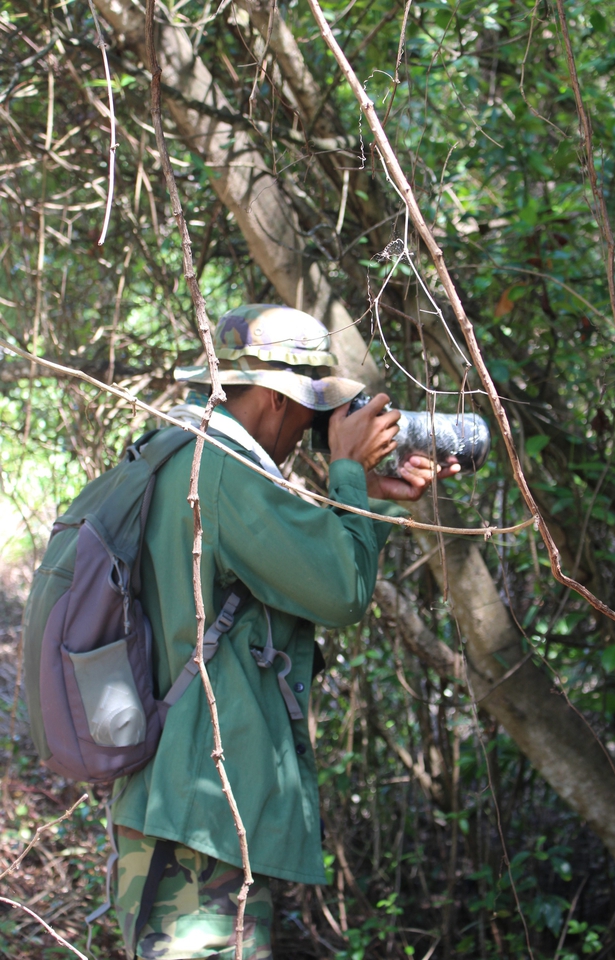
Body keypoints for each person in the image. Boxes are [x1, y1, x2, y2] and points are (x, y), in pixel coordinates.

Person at [112, 304, 459, 960]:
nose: (308, 432)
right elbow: (339, 592)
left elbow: (297, 571)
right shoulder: (222, 472)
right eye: (309, 413)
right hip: (203, 813)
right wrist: (348, 470)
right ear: (275, 399)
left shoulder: (181, 455)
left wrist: (375, 497)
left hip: (174, 796)